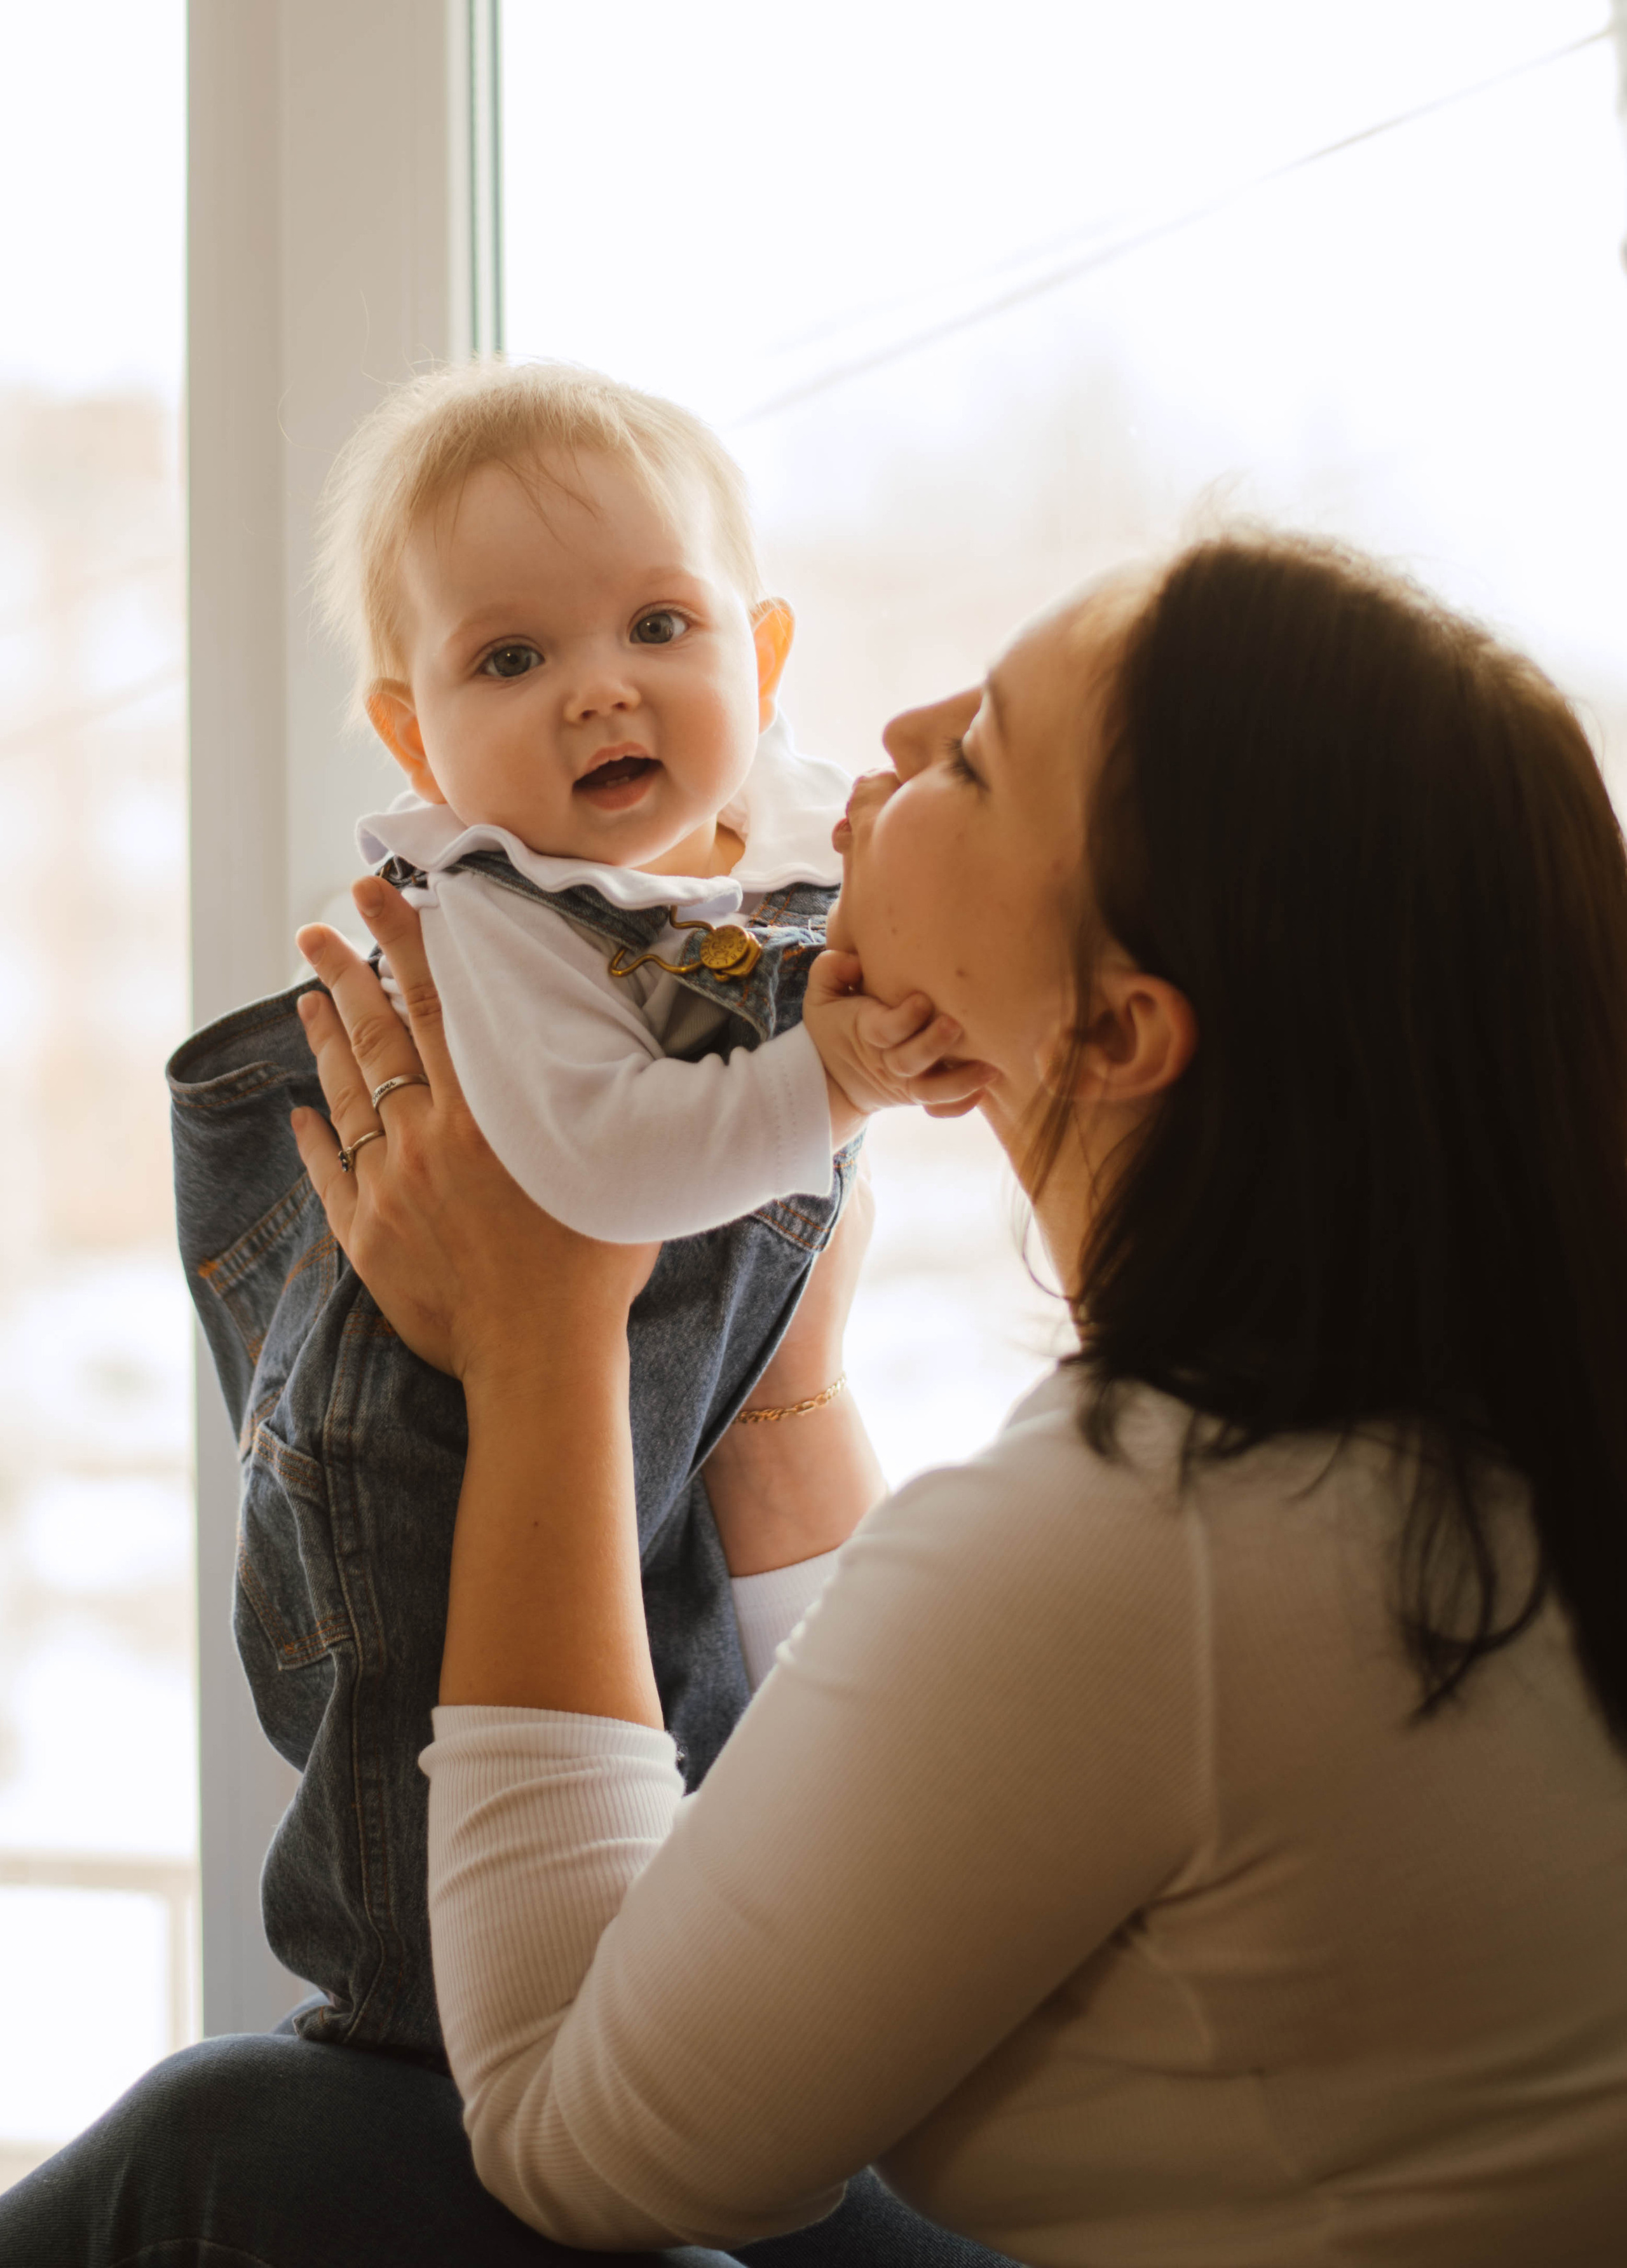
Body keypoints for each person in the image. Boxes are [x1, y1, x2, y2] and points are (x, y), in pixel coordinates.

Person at [10, 529, 1627, 2265]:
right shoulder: (1420, 1442)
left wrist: (546, 1340)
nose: (905, 727)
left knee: (237, 2155)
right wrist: (782, 1392)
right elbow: (916, 1795)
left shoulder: (1174, 1530)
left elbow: (571, 2137)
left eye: (980, 756)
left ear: (1117, 1034)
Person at [165, 360, 986, 2066]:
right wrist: (833, 1078)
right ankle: (419, 2034)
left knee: (703, 1763)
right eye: (510, 660)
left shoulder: (792, 828)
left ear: (763, 658)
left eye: (659, 627)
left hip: (659, 1384)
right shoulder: (497, 915)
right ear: (418, 738)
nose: (599, 690)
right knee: (428, 1838)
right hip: (430, 1424)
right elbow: (604, 1172)